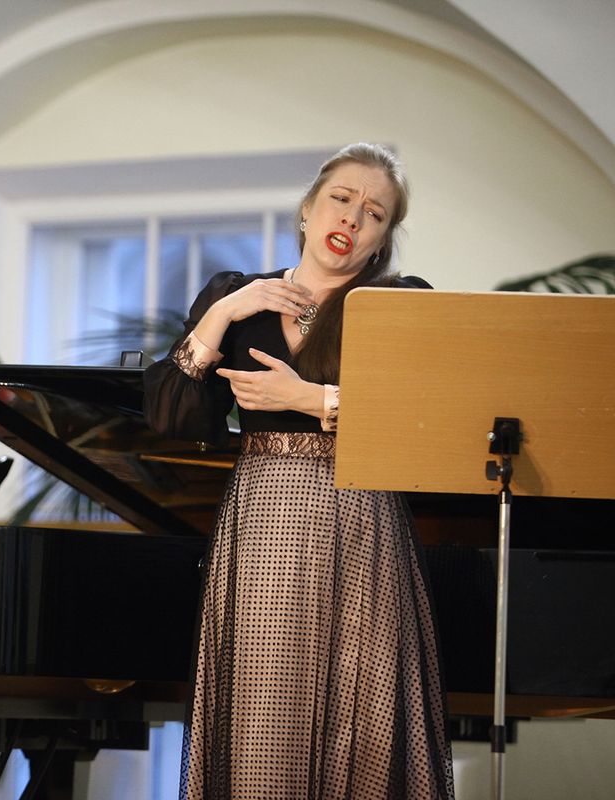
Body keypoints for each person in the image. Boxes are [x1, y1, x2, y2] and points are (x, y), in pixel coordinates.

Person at [144, 143, 454, 799]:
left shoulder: (399, 303)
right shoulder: (235, 295)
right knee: (265, 713)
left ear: (381, 241)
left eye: (374, 213)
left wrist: (311, 400)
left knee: (361, 714)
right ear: (308, 210)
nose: (353, 218)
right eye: (341, 199)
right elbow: (172, 416)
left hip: (361, 520)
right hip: (263, 524)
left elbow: (425, 419)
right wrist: (224, 312)